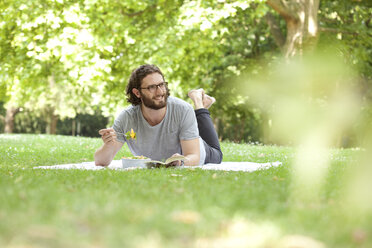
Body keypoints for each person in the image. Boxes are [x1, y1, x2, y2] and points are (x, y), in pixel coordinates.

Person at [94, 64, 223, 166]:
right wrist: (108, 145)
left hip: (199, 151)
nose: (160, 92)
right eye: (152, 87)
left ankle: (199, 103)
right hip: (182, 127)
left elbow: (194, 155)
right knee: (187, 118)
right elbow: (100, 162)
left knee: (217, 155)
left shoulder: (182, 109)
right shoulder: (127, 118)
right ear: (137, 93)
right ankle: (201, 105)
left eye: (162, 85)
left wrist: (181, 162)